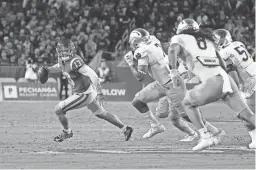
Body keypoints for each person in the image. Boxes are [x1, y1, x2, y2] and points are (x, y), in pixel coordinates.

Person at [168, 18, 255, 151]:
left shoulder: (179, 38)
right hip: (225, 78)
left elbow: (172, 50)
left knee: (187, 103)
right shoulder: (207, 40)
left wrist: (174, 71)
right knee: (247, 115)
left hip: (213, 80)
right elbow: (222, 63)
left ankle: (205, 136)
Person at [124, 28, 222, 140]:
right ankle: (155, 126)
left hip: (173, 84)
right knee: (137, 101)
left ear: (134, 40)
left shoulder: (142, 51)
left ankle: (213, 130)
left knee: (186, 114)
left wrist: (131, 64)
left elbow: (140, 77)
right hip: (161, 84)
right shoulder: (153, 41)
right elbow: (165, 47)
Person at [38, 38, 133, 142]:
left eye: (67, 50)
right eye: (63, 51)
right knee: (101, 113)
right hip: (87, 91)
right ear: (58, 51)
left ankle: (67, 132)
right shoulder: (61, 60)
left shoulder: (75, 61)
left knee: (58, 109)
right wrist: (49, 69)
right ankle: (125, 129)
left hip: (84, 94)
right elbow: (60, 67)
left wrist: (100, 91)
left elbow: (92, 74)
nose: (65, 53)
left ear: (72, 50)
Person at [213, 29, 256, 148]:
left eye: (216, 40)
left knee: (244, 112)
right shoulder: (238, 43)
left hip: (252, 80)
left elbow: (227, 70)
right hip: (252, 74)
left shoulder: (224, 53)